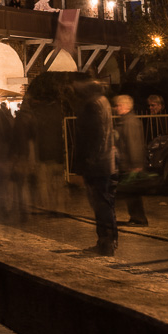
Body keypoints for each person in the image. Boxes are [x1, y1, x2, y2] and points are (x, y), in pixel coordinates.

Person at [70, 79, 118, 255]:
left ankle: (106, 242)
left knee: (100, 204)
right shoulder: (102, 101)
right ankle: (109, 241)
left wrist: (89, 160)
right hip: (104, 162)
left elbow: (95, 135)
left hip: (97, 164)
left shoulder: (92, 105)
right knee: (105, 203)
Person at [112, 94, 149, 227]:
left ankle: (139, 219)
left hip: (130, 164)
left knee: (132, 193)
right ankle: (136, 217)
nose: (116, 108)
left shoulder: (129, 122)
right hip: (127, 163)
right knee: (131, 193)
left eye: (118, 105)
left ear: (126, 106)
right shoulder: (125, 121)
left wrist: (135, 164)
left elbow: (133, 143)